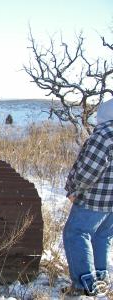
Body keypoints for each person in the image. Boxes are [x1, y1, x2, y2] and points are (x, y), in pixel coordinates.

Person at [63, 98, 113, 296]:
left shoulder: (104, 135)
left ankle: (84, 285)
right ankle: (100, 280)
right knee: (102, 236)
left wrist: (74, 188)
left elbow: (88, 170)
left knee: (76, 234)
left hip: (95, 200)